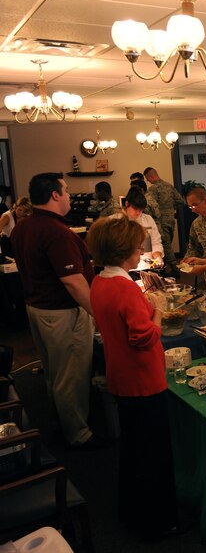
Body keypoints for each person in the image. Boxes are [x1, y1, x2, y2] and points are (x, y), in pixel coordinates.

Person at [86, 217, 183, 540]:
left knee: (133, 450)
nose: (140, 250)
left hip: (121, 376)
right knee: (153, 454)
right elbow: (142, 337)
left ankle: (132, 512)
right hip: (143, 380)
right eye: (137, 246)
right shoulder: (124, 288)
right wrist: (155, 309)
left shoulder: (99, 281)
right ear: (125, 250)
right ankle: (160, 521)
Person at [11, 173, 102, 448]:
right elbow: (73, 282)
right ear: (54, 195)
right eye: (66, 190)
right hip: (62, 312)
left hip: (38, 309)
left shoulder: (22, 227)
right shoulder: (56, 232)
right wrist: (98, 313)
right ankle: (78, 434)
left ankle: (61, 419)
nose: (69, 195)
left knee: (55, 372)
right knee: (71, 375)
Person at [144, 167, 184, 276]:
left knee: (166, 245)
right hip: (171, 220)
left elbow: (151, 205)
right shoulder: (169, 186)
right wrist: (171, 208)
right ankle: (168, 268)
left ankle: (174, 268)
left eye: (147, 179)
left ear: (151, 176)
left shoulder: (152, 189)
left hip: (160, 221)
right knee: (167, 244)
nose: (148, 181)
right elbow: (180, 201)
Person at [116, 187, 163, 261]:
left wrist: (157, 256)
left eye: (141, 210)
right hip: (124, 264)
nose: (138, 213)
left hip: (147, 262)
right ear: (127, 203)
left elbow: (156, 242)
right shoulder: (115, 221)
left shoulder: (148, 219)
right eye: (135, 209)